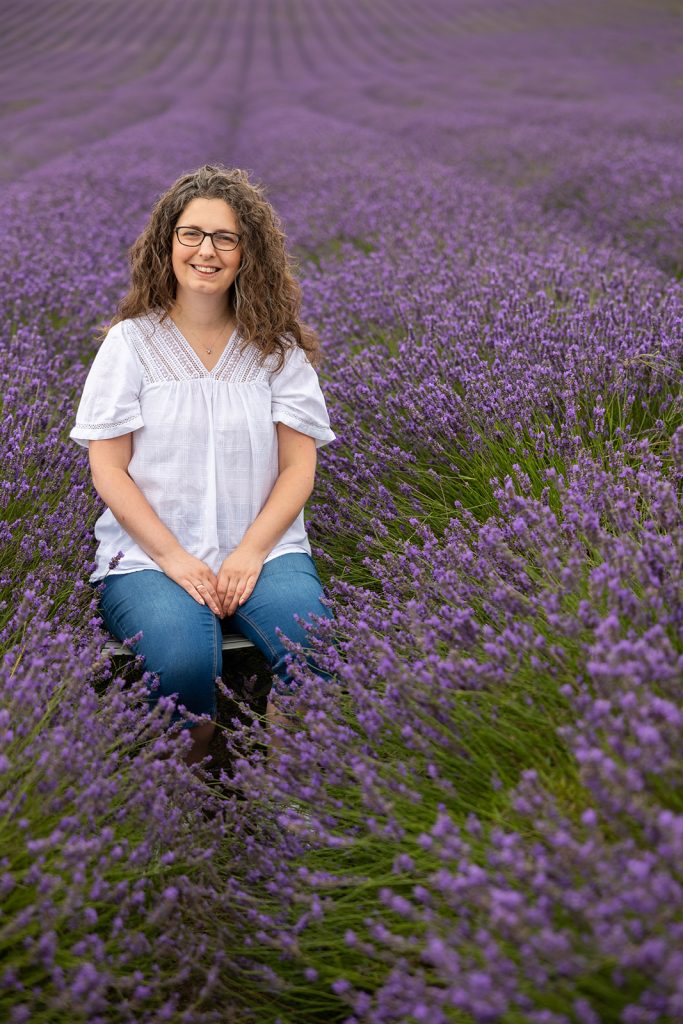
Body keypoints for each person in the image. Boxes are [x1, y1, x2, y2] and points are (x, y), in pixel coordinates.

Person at [70, 164, 336, 766]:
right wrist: (172, 557)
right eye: (191, 234)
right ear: (168, 244)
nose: (206, 251)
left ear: (249, 254)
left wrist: (248, 552)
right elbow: (108, 469)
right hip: (150, 556)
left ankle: (284, 788)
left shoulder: (278, 352)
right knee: (185, 664)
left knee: (315, 649)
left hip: (265, 551)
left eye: (225, 238)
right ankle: (194, 796)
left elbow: (299, 467)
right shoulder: (130, 344)